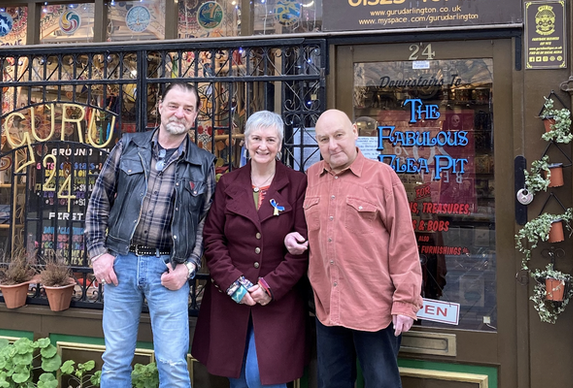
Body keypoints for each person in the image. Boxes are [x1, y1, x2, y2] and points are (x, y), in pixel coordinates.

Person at [85, 82, 216, 388]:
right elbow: (98, 200)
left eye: (187, 108)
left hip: (167, 270)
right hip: (121, 265)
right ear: (159, 106)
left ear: (195, 116)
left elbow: (205, 222)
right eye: (173, 105)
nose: (179, 114)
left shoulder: (203, 163)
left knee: (172, 362)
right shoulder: (128, 146)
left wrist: (189, 267)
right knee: (116, 358)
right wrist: (98, 254)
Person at [285, 109, 422, 387]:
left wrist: (406, 303)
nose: (332, 145)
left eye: (338, 136)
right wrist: (292, 239)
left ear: (355, 133)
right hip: (328, 308)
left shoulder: (382, 177)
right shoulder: (310, 178)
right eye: (323, 139)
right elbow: (303, 229)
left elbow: (403, 244)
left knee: (381, 383)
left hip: (375, 309)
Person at [192, 111, 309, 388]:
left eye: (271, 139)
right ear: (245, 142)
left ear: (280, 144)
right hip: (232, 298)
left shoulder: (298, 184)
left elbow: (303, 244)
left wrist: (270, 287)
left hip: (278, 299)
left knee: (263, 376)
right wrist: (234, 284)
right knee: (239, 378)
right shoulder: (228, 184)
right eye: (256, 138)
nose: (263, 146)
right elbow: (212, 238)